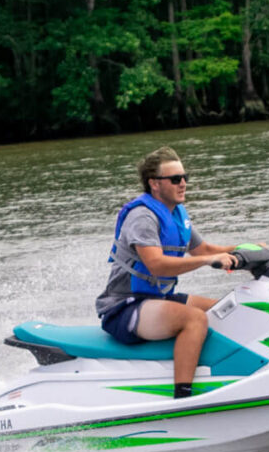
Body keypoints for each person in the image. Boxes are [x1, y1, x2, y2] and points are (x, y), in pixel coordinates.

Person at [96, 146, 238, 399]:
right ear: (154, 184)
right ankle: (183, 396)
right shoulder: (143, 216)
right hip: (124, 307)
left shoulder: (176, 214)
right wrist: (209, 260)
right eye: (175, 179)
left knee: (226, 309)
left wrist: (247, 250)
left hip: (155, 299)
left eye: (185, 178)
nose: (183, 184)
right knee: (194, 319)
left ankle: (227, 374)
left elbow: (202, 249)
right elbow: (156, 265)